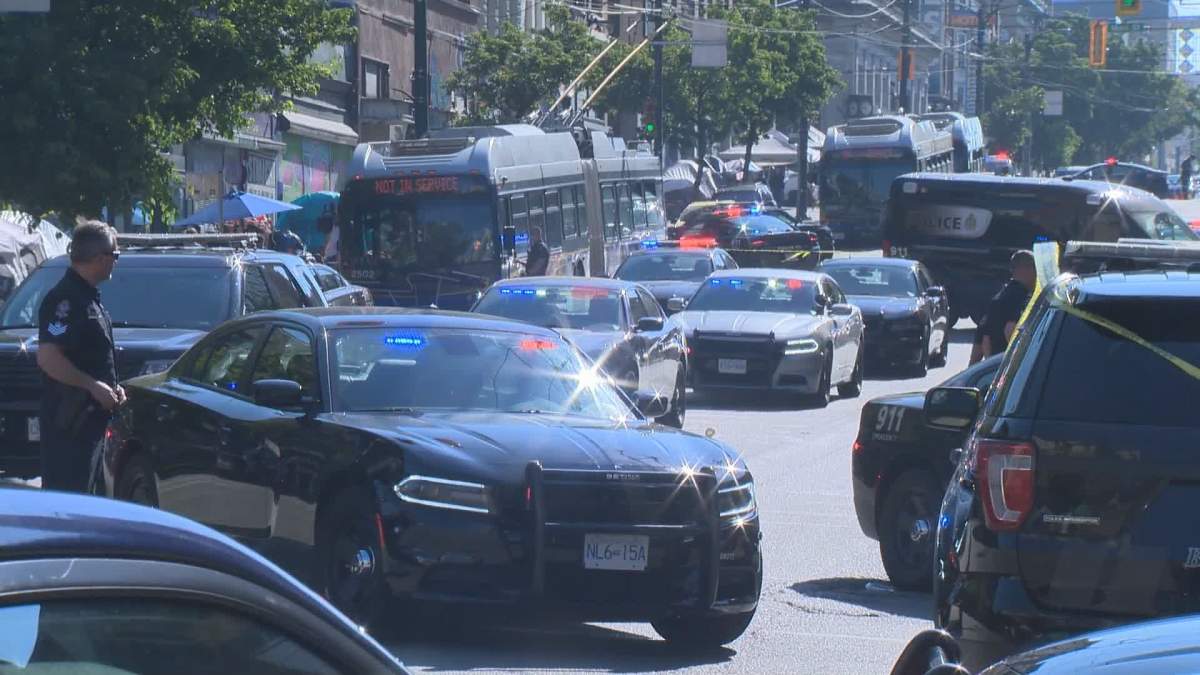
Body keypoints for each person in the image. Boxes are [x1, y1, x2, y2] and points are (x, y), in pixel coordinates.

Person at [35, 221, 124, 492]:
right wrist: (93, 386)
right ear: (100, 258)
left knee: (88, 503)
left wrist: (110, 386)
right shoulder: (65, 300)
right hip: (71, 425)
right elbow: (49, 357)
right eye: (115, 256)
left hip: (90, 423)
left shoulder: (88, 298)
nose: (116, 262)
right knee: (68, 505)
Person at [970, 250, 1036, 364]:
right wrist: (1023, 362)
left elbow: (982, 338)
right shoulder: (1021, 297)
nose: (1037, 274)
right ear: (1025, 269)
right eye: (1035, 268)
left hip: (994, 367)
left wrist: (973, 370)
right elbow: (1010, 330)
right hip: (1007, 367)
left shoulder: (999, 297)